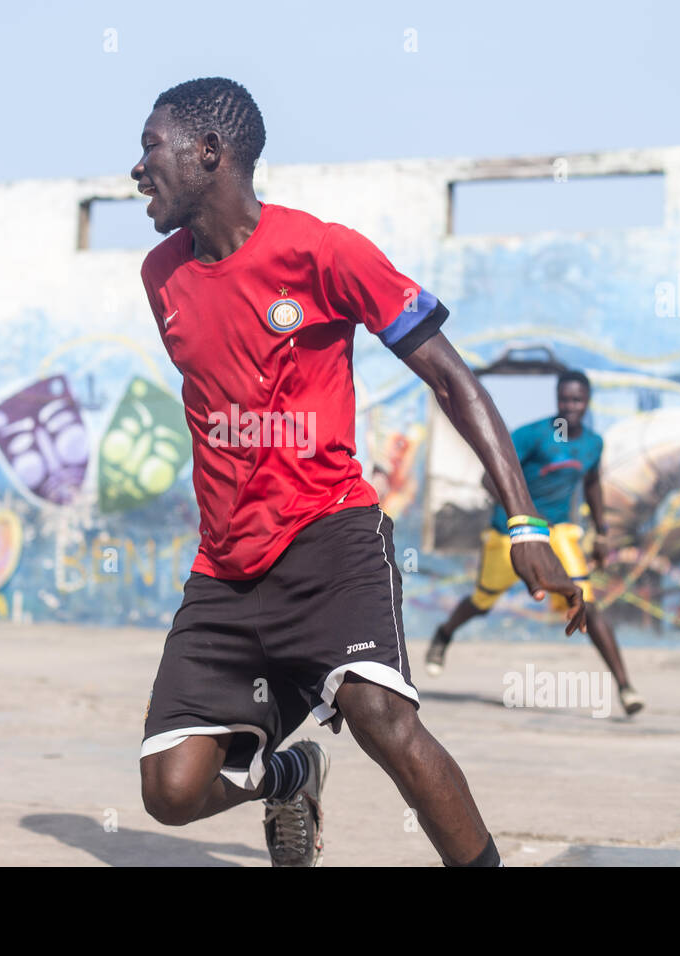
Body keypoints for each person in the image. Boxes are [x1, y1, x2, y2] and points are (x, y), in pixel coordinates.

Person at [133, 77, 585, 868]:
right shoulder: (161, 276)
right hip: (225, 566)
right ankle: (290, 774)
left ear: (210, 152)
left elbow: (450, 378)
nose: (138, 170)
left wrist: (524, 521)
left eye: (151, 147)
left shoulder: (325, 252)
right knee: (170, 792)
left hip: (327, 535)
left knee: (380, 712)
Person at [426, 371, 645, 716]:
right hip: (510, 532)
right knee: (483, 601)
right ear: (557, 399)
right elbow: (489, 478)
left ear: (587, 402)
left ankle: (625, 687)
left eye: (578, 400)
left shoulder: (592, 444)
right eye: (565, 399)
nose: (571, 406)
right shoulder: (531, 436)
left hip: (559, 533)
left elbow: (591, 485)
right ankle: (444, 633)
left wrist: (602, 532)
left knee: (585, 600)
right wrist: (522, 518)